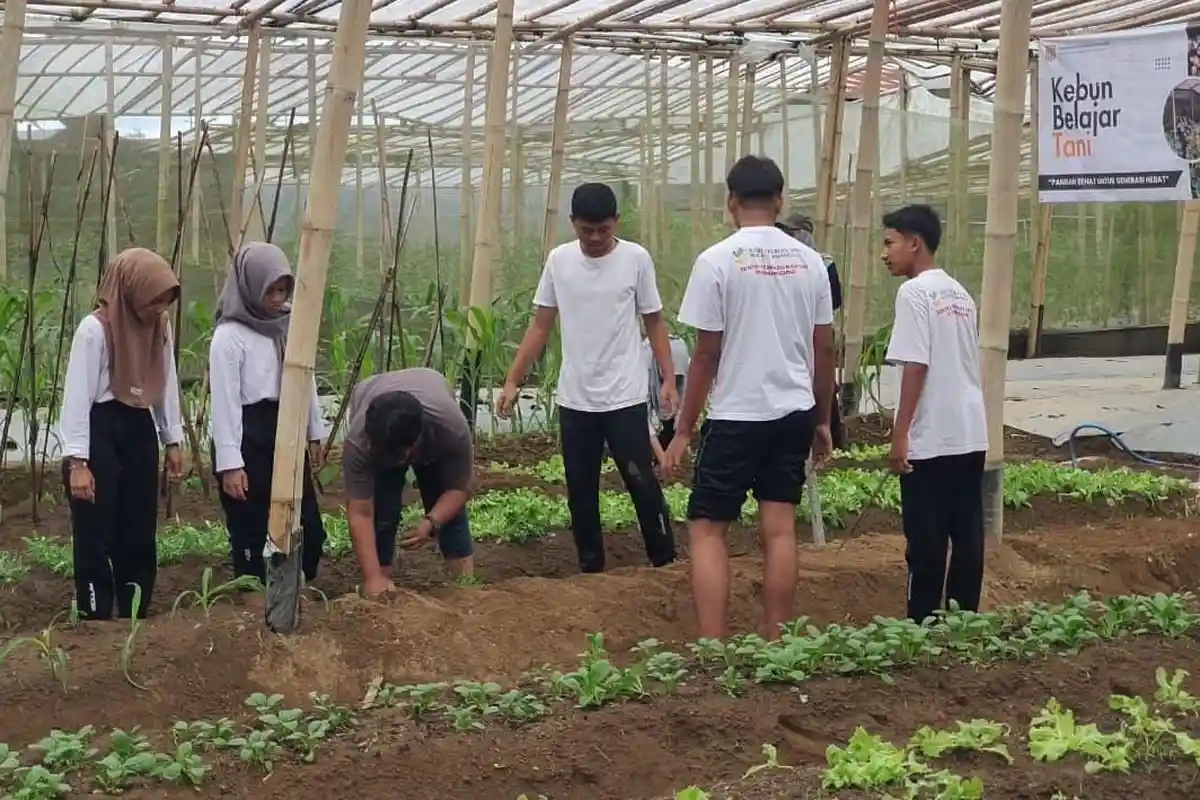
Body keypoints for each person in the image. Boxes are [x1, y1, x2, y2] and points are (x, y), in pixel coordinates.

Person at [661, 156, 835, 641]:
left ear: (731, 202)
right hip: (793, 412)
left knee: (708, 527)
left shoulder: (716, 261)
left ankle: (714, 644)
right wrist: (822, 421)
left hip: (737, 415)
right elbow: (824, 347)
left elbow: (705, 355)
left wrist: (684, 429)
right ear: (780, 201)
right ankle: (775, 639)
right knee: (779, 527)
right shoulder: (810, 263)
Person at [496, 182, 677, 574]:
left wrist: (668, 379)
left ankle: (665, 562)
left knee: (640, 481)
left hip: (624, 396)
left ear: (616, 222)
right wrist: (513, 379)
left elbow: (655, 321)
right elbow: (541, 325)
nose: (595, 238)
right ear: (573, 223)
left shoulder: (635, 259)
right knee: (581, 491)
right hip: (576, 398)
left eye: (603, 230)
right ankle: (591, 572)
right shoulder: (559, 261)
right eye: (586, 230)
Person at [59, 248, 185, 620]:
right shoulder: (94, 330)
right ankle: (95, 611)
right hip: (100, 427)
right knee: (95, 523)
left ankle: (135, 608)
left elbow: (166, 379)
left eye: (165, 302)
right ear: (130, 292)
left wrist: (172, 439)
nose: (158, 309)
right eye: (153, 300)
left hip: (139, 427)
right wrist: (78, 462)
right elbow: (77, 398)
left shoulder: (159, 327)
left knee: (139, 520)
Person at [880, 204, 988, 625]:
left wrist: (900, 432)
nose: (885, 254)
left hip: (931, 435)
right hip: (969, 430)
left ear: (914, 243)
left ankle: (921, 625)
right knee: (966, 536)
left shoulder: (914, 293)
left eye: (889, 243)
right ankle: (963, 623)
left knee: (925, 541)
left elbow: (916, 364)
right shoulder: (960, 293)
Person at [209, 242, 327, 586]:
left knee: (305, 519)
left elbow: (306, 380)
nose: (277, 298)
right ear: (249, 286)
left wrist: (313, 429)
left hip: (286, 426)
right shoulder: (229, 337)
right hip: (249, 433)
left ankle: (296, 588)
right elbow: (226, 404)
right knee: (252, 521)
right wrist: (231, 464)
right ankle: (254, 594)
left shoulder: (288, 324)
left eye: (282, 289)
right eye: (269, 290)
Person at [342, 368, 476, 599]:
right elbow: (361, 512)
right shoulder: (360, 442)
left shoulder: (451, 429)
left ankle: (466, 585)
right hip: (371, 390)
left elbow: (459, 488)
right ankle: (379, 584)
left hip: (432, 397)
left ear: (416, 442)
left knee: (449, 513)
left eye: (397, 455)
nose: (392, 461)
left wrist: (431, 521)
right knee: (383, 513)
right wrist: (373, 578)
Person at [777, 212, 846, 449]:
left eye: (793, 232)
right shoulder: (786, 263)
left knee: (823, 381)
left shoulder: (822, 264)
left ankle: (832, 434)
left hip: (816, 332)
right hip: (797, 333)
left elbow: (834, 300)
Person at [643, 333, 691, 460]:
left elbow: (687, 398)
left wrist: (681, 435)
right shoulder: (644, 367)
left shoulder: (682, 357)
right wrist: (662, 458)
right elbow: (644, 418)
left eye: (678, 378)